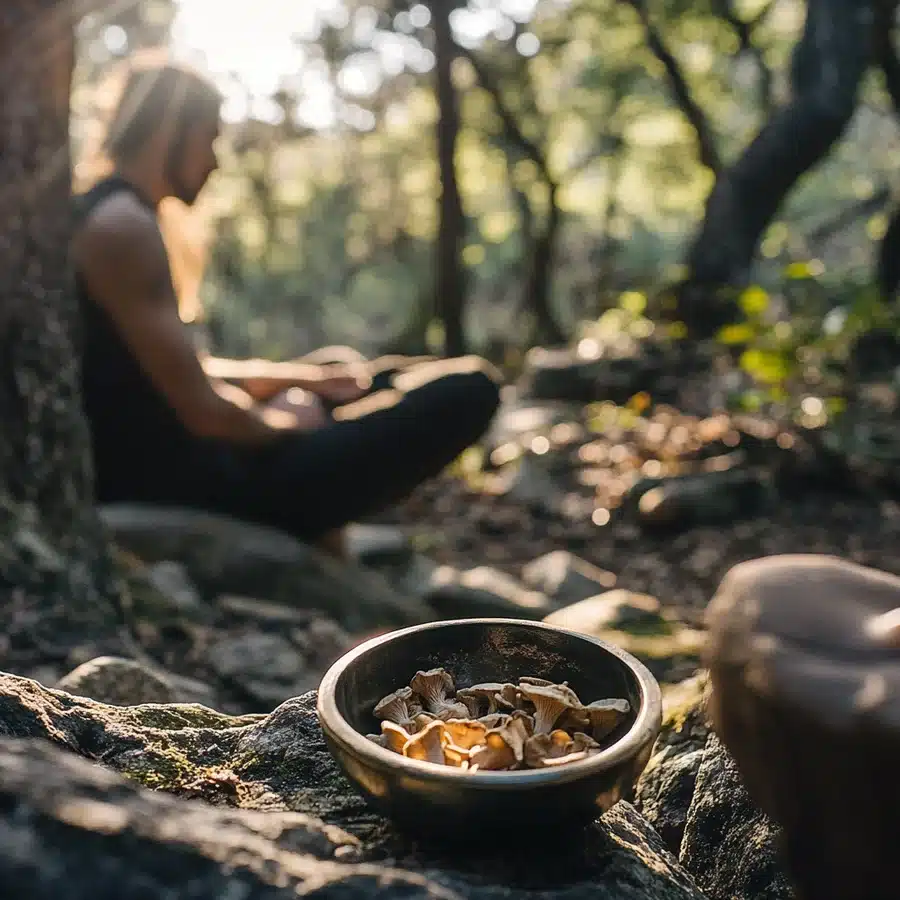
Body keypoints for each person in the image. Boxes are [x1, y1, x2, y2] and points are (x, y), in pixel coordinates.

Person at [72, 60, 501, 552]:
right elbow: (205, 413)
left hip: (189, 460)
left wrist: (303, 381)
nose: (214, 162)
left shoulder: (110, 212)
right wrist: (288, 428)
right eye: (209, 139)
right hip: (200, 484)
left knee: (350, 374)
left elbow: (183, 372)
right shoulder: (122, 228)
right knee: (469, 388)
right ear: (170, 131)